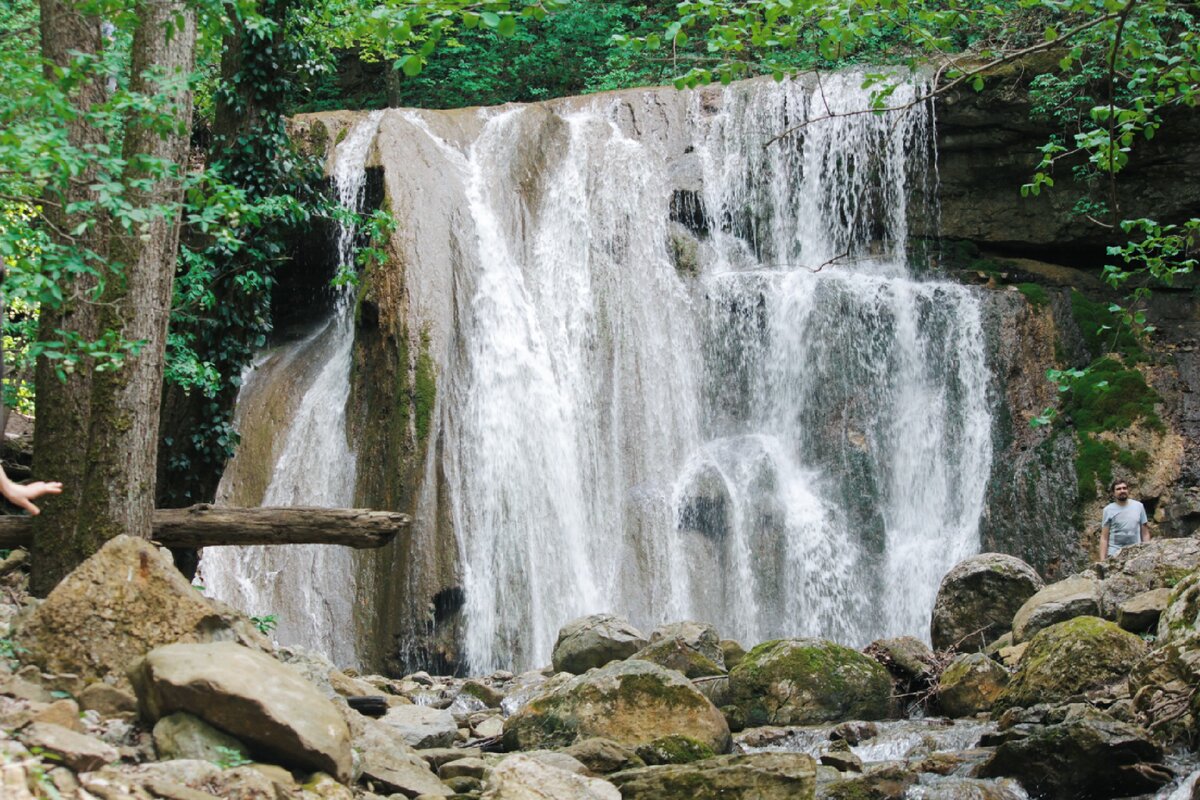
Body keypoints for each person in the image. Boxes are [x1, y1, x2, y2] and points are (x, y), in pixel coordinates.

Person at [1099, 479, 1150, 560]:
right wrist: (1102, 560)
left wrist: (1147, 553)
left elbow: (1145, 533)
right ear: (1113, 493)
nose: (1122, 490)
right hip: (1114, 554)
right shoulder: (1108, 510)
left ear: (1128, 490)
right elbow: (1104, 537)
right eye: (1118, 489)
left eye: (1124, 488)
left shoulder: (1139, 506)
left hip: (1136, 553)